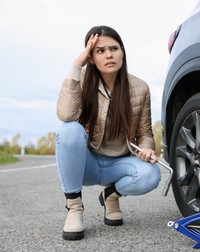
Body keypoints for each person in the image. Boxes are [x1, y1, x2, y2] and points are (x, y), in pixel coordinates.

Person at [56, 25, 161, 240]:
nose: (109, 55)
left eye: (114, 48)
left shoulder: (140, 88)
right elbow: (66, 114)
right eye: (100, 51)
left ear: (122, 51)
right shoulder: (83, 79)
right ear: (91, 57)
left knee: (151, 174)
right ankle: (75, 208)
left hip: (119, 165)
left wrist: (147, 149)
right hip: (88, 164)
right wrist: (77, 65)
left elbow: (145, 133)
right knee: (69, 130)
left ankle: (111, 196)